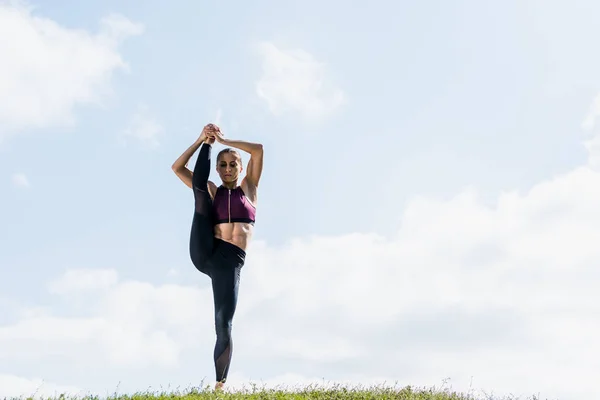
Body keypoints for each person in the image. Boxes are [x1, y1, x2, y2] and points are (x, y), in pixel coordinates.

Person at [171, 123, 264, 391]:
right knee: (200, 191)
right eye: (221, 165)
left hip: (229, 261)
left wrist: (226, 140)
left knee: (223, 321)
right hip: (205, 249)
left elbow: (258, 150)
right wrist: (202, 141)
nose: (226, 169)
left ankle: (219, 385)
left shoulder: (250, 188)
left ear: (240, 167)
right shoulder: (214, 190)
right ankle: (208, 146)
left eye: (232, 164)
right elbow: (177, 168)